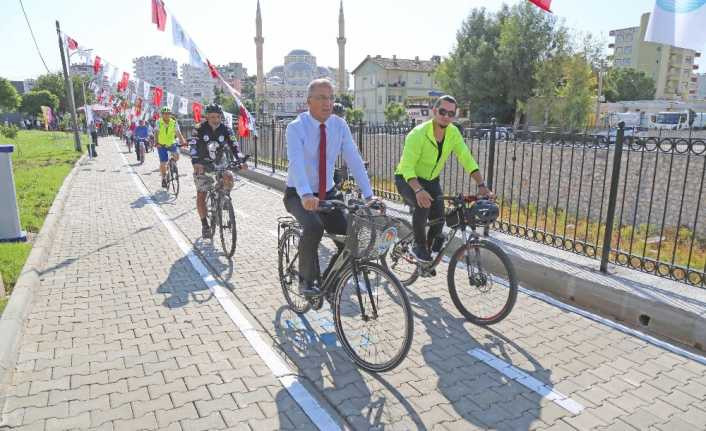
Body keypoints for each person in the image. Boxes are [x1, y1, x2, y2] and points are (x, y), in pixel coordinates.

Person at [284, 78, 377, 296]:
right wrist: (306, 194)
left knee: (351, 241)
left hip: (328, 194)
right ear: (309, 102)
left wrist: (369, 194)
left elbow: (353, 158)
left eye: (331, 98)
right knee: (314, 227)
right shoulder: (296, 127)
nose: (328, 103)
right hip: (299, 194)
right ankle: (306, 280)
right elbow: (296, 163)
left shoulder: (339, 125)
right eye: (322, 98)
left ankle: (328, 283)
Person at [394, 94, 494, 263]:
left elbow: (466, 157)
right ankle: (419, 245)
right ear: (434, 111)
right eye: (442, 111)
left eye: (451, 113)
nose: (446, 116)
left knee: (439, 217)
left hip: (431, 180)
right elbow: (407, 167)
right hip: (407, 179)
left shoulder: (453, 132)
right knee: (423, 205)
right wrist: (418, 190)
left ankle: (429, 254)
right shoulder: (417, 134)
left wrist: (482, 185)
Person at [189, 103, 247, 238]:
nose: (216, 120)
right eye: (212, 117)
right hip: (203, 163)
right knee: (201, 195)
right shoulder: (199, 129)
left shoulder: (226, 129)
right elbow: (193, 146)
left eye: (218, 117)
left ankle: (224, 200)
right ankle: (205, 225)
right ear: (207, 117)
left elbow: (234, 146)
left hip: (219, 161)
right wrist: (196, 162)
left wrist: (241, 160)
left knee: (229, 176)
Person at [154, 107, 187, 188]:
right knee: (163, 163)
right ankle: (164, 177)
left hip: (171, 143)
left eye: (168, 113)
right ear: (162, 115)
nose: (166, 115)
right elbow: (156, 133)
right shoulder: (158, 122)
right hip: (161, 145)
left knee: (177, 156)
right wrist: (156, 142)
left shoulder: (174, 122)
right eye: (165, 114)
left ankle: (172, 165)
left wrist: (183, 142)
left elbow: (178, 133)